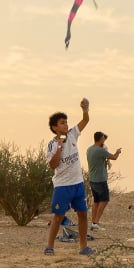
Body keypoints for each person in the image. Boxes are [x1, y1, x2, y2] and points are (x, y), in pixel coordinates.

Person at [44, 98, 93, 256]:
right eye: (62, 123)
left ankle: (83, 246)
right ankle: (50, 246)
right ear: (54, 127)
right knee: (58, 216)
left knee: (83, 214)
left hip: (77, 183)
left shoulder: (73, 134)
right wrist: (59, 147)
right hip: (62, 186)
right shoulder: (52, 144)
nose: (65, 125)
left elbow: (85, 120)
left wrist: (85, 109)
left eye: (66, 122)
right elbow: (53, 164)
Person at [86, 131, 122, 230]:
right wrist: (118, 152)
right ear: (101, 139)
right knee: (104, 200)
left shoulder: (89, 149)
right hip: (100, 179)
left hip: (92, 179)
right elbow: (114, 157)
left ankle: (93, 222)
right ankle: (96, 222)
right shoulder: (100, 151)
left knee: (96, 201)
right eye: (103, 138)